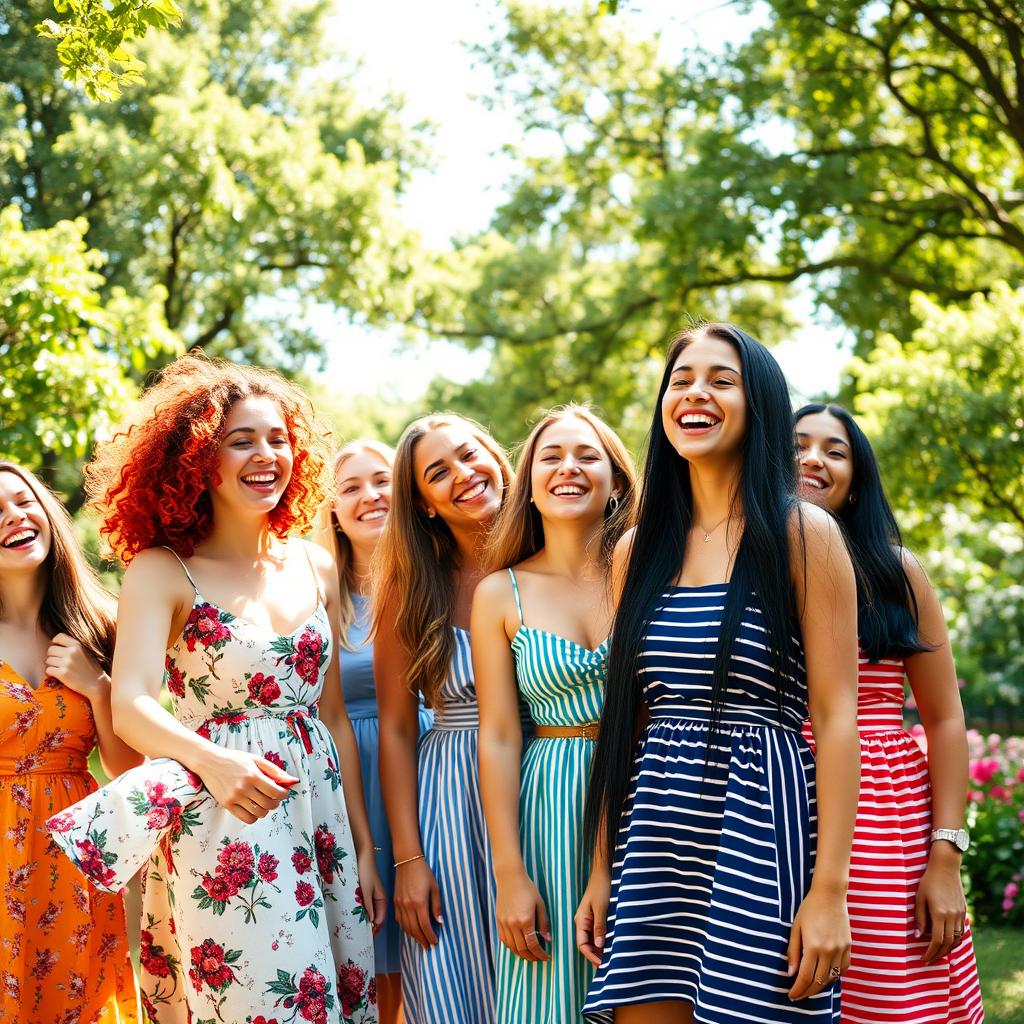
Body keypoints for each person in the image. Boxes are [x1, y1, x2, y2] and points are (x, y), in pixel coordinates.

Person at [55, 354, 382, 1023]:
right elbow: (135, 703)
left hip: (320, 818)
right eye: (241, 440)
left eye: (277, 439)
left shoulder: (315, 562)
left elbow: (333, 719)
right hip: (225, 824)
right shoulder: (163, 570)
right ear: (198, 458)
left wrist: (364, 849)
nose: (266, 455)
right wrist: (213, 760)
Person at [578, 323, 860, 1024]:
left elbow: (836, 716)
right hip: (655, 835)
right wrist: (601, 869)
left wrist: (830, 890)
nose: (695, 393)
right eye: (681, 379)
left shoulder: (804, 534)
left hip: (761, 827)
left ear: (757, 403)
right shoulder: (635, 550)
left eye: (720, 380)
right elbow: (627, 722)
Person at [794, 402, 984, 1024]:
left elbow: (946, 720)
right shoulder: (739, 567)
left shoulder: (896, 574)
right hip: (773, 789)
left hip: (884, 809)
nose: (813, 458)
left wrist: (946, 857)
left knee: (887, 994)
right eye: (798, 443)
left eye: (835, 450)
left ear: (856, 482)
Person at [473, 405, 636, 1022]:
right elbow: (498, 736)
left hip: (650, 788)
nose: (569, 468)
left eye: (587, 455)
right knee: (553, 994)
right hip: (551, 809)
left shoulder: (650, 575)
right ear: (531, 486)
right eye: (551, 457)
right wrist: (510, 873)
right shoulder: (500, 593)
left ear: (616, 481)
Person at [373, 414, 514, 1024]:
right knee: (455, 983)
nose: (463, 474)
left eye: (468, 453)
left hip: (548, 779)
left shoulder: (554, 553)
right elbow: (398, 729)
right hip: (452, 801)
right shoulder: (413, 589)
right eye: (438, 472)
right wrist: (409, 860)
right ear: (425, 504)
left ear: (496, 453)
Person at [0, 459, 141, 1024]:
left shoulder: (100, 624)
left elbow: (129, 767)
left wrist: (100, 688)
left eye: (22, 501)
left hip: (75, 861)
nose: (13, 517)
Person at [317, 439, 433, 1024]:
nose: (371, 496)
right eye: (351, 487)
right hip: (349, 778)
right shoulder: (318, 594)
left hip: (432, 769)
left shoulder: (436, 578)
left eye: (383, 480)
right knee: (373, 955)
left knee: (437, 948)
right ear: (331, 510)